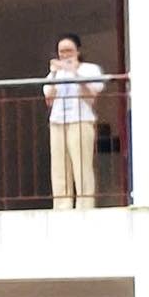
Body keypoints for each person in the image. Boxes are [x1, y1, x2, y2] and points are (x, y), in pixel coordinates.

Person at [44, 32, 106, 210]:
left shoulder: (89, 69)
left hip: (81, 120)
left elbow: (92, 94)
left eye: (69, 50)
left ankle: (85, 204)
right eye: (61, 51)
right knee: (59, 166)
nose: (65, 55)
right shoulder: (54, 73)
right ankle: (62, 205)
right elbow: (48, 99)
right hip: (57, 121)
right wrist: (55, 74)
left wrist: (75, 73)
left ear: (78, 51)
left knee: (81, 164)